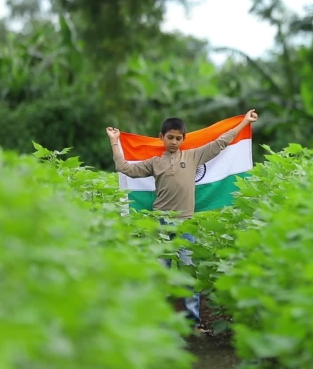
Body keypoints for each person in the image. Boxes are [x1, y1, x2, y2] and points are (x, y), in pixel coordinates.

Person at [105, 109, 258, 332]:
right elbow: (125, 168)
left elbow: (221, 142)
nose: (174, 142)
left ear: (184, 139)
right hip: (161, 224)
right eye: (170, 137)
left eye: (178, 138)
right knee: (160, 273)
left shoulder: (193, 156)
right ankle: (157, 322)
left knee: (188, 273)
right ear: (162, 137)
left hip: (187, 223)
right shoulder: (155, 162)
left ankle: (193, 323)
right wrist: (114, 141)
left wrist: (244, 121)